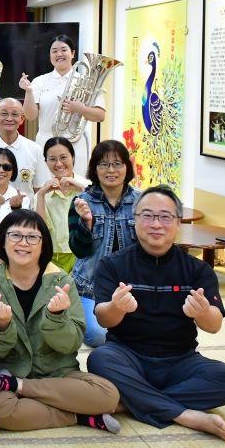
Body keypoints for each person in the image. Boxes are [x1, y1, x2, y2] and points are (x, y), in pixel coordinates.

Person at [87, 186, 225, 440]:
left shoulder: (197, 270)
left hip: (180, 360)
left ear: (178, 222)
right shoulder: (112, 264)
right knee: (99, 359)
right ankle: (185, 415)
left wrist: (202, 312)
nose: (156, 224)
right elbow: (104, 319)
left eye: (165, 217)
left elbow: (214, 325)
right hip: (128, 356)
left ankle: (130, 402)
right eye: (147, 216)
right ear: (135, 220)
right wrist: (116, 307)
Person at [0, 210, 121, 433]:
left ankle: (21, 388)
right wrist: (2, 326)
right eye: (15, 235)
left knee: (108, 394)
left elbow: (70, 345)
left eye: (32, 237)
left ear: (43, 245)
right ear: (3, 241)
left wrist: (56, 317)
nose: (23, 243)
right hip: (11, 372)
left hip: (58, 373)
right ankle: (79, 416)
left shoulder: (62, 281)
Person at [68, 140, 141, 348]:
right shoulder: (81, 202)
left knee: (150, 328)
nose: (111, 170)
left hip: (132, 286)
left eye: (117, 164)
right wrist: (86, 224)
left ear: (127, 167)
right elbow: (79, 251)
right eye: (104, 164)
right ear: (94, 168)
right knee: (98, 336)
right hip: (89, 288)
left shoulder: (142, 201)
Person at [20, 35, 107, 178]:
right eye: (54, 51)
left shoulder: (87, 81)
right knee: (45, 185)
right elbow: (30, 116)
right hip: (46, 142)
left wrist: (80, 109)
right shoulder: (39, 81)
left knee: (75, 185)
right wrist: (28, 92)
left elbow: (100, 115)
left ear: (72, 53)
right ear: (50, 55)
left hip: (75, 143)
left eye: (63, 50)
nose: (59, 54)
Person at [34, 137, 90, 273]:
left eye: (63, 157)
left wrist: (81, 188)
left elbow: (97, 216)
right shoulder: (43, 193)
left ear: (73, 157)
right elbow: (40, 230)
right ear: (46, 162)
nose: (59, 164)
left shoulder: (88, 187)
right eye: (52, 159)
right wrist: (41, 195)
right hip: (52, 258)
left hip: (84, 253)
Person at [0, 98, 45, 203]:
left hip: (24, 211)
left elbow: (40, 189)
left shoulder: (34, 149)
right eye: (4, 114)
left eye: (15, 114)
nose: (9, 118)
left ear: (22, 119)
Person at [0, 148, 31, 223]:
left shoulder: (22, 199)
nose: (1, 170)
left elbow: (22, 225)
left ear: (13, 171)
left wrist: (16, 209)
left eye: (7, 167)